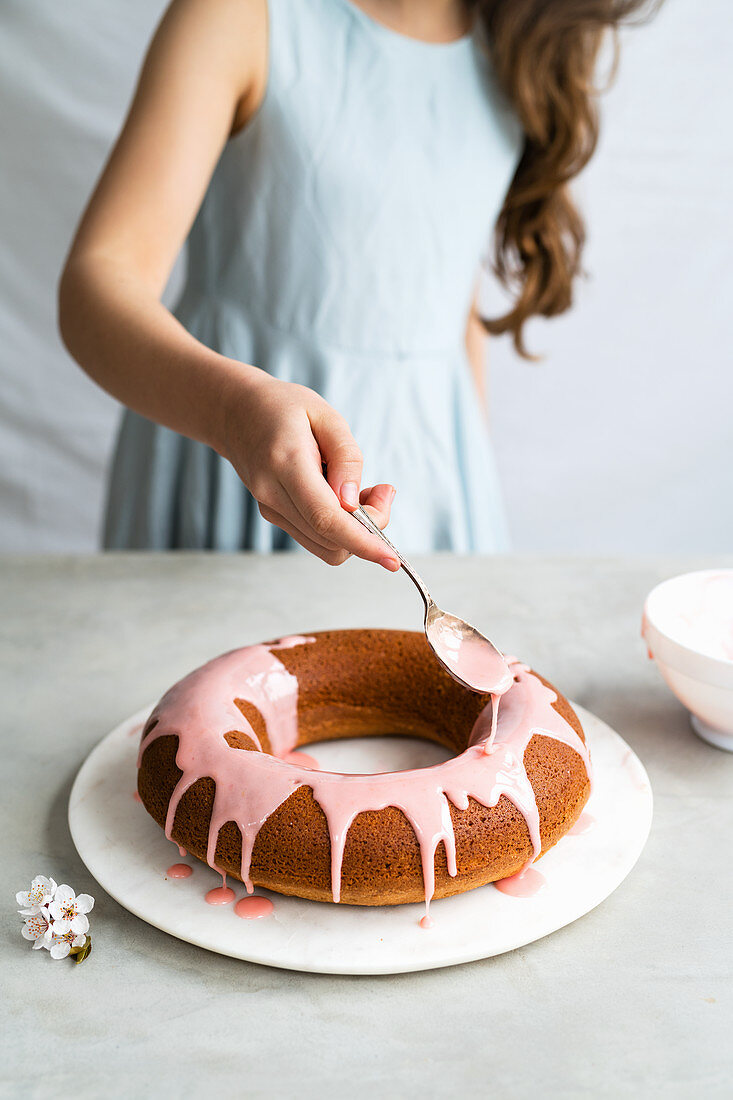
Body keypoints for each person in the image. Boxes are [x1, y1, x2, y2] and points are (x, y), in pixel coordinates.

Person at [59, 0, 654, 565]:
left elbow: (447, 292)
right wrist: (232, 413)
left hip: (437, 484)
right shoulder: (244, 16)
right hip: (226, 467)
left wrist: (471, 494)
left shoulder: (517, 45)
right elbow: (99, 284)